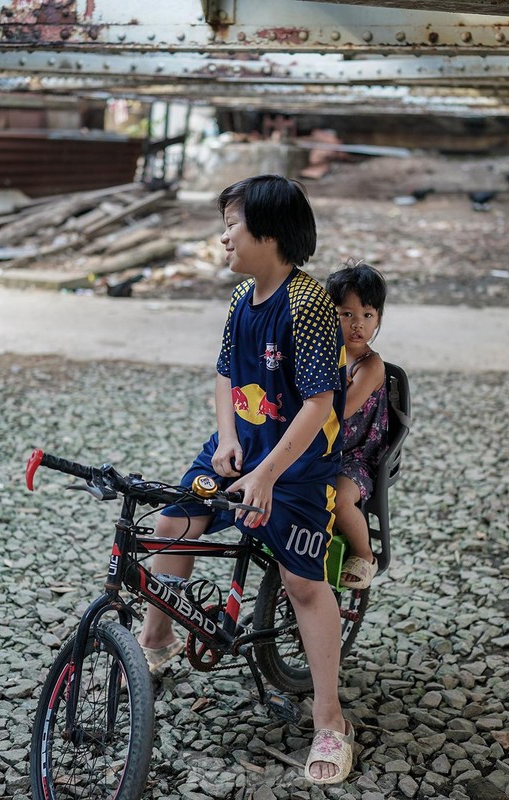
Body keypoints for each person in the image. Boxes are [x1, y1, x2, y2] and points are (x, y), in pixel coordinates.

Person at [136, 174, 355, 785]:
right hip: (244, 447)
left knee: (302, 582)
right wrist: (228, 439)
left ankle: (331, 720)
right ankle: (156, 643)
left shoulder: (307, 306)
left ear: (269, 233)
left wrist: (265, 472)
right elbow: (225, 375)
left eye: (231, 223)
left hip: (299, 462)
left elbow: (317, 406)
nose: (223, 235)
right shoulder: (241, 300)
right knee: (174, 520)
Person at [325, 261, 389, 591]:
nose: (357, 325)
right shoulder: (324, 355)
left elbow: (343, 409)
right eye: (346, 314)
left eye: (367, 315)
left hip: (355, 459)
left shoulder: (370, 365)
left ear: (378, 318)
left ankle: (365, 555)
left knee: (337, 498)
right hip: (321, 447)